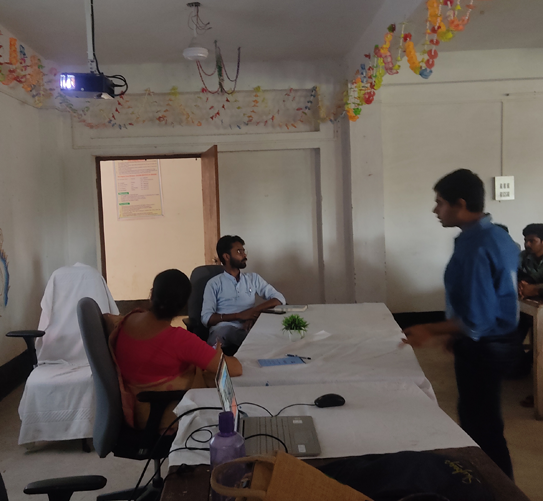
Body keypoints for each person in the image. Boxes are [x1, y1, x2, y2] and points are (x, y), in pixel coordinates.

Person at [402, 169, 520, 479]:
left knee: (481, 427)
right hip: (500, 339)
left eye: (440, 202)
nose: (435, 210)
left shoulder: (476, 245)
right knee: (481, 419)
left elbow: (478, 318)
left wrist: (430, 329)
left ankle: (497, 489)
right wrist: (457, 334)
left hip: (487, 345)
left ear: (461, 204)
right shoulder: (497, 235)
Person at [108, 269, 242, 431]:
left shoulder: (128, 320)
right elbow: (235, 368)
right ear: (183, 305)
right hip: (167, 419)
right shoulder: (180, 340)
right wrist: (218, 355)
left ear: (152, 294)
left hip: (135, 412)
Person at [201, 235, 286, 354]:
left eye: (244, 251)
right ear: (226, 256)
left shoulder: (253, 278)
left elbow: (279, 298)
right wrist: (239, 315)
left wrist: (253, 312)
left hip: (249, 326)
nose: (244, 255)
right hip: (223, 330)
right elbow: (206, 318)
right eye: (239, 252)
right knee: (229, 332)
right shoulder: (214, 283)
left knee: (275, 330)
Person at [518, 223, 543, 299]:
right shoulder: (523, 255)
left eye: (532, 241)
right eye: (525, 241)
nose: (527, 244)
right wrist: (521, 285)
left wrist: (534, 289)